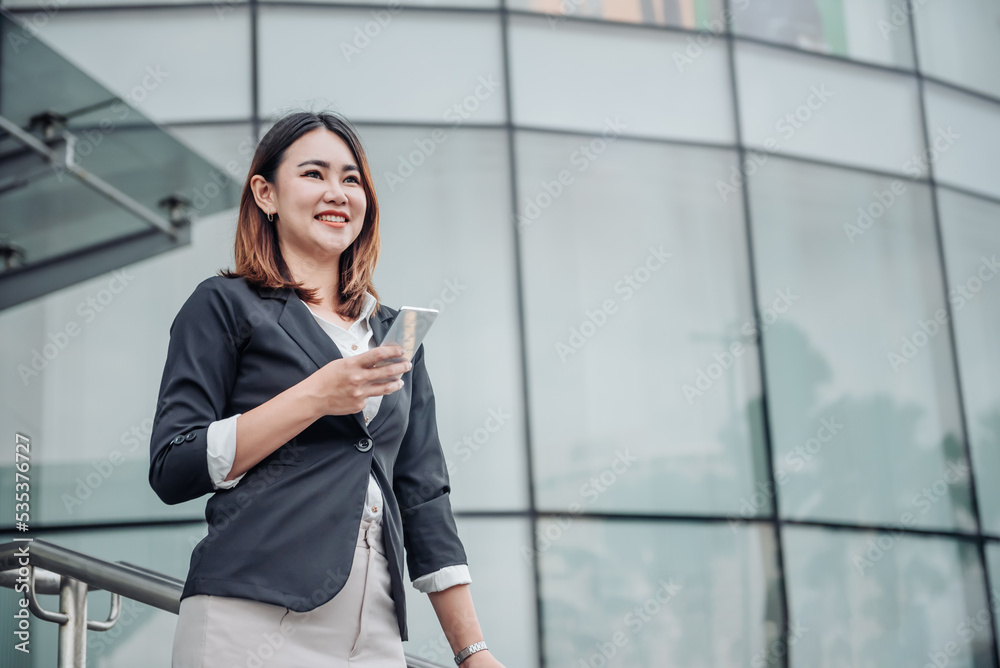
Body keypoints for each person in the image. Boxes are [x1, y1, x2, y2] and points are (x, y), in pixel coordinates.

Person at [148, 110, 504, 668]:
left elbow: (423, 495)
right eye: (314, 174)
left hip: (374, 633)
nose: (337, 192)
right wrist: (317, 395)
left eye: (351, 178)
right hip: (248, 615)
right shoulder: (222, 305)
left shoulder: (398, 332)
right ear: (265, 193)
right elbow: (174, 467)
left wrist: (472, 651)